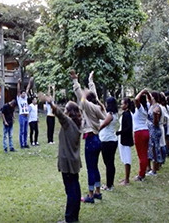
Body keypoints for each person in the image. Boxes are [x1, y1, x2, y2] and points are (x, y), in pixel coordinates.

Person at [39, 93, 82, 223]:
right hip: (74, 161)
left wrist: (50, 102)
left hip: (67, 161)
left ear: (69, 112)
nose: (64, 111)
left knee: (71, 190)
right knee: (75, 187)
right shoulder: (78, 123)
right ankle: (74, 216)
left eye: (66, 109)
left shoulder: (69, 123)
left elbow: (58, 113)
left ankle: (69, 218)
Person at [71, 70, 106, 203]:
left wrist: (75, 80)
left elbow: (79, 93)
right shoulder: (97, 107)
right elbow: (94, 96)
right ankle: (97, 192)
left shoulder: (88, 106)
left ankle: (90, 196)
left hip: (90, 140)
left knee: (90, 168)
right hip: (98, 140)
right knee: (95, 167)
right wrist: (91, 81)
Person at [98, 97, 118, 191]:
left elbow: (103, 125)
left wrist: (95, 131)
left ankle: (109, 185)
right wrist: (98, 100)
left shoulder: (110, 115)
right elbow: (102, 107)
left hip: (107, 141)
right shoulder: (114, 114)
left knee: (108, 163)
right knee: (110, 163)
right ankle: (110, 184)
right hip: (111, 140)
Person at [133, 89, 150, 182]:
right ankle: (143, 172)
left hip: (139, 132)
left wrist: (143, 91)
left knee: (141, 155)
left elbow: (136, 99)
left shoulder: (140, 108)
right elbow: (150, 100)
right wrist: (147, 93)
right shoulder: (147, 106)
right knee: (145, 154)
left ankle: (141, 175)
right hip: (146, 131)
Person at [116, 97, 134, 186]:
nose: (121, 105)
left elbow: (128, 128)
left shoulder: (128, 115)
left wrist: (119, 132)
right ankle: (125, 177)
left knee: (127, 158)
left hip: (125, 138)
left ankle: (127, 179)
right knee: (124, 156)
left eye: (122, 103)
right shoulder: (125, 114)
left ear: (126, 105)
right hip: (122, 138)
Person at [146, 91, 163, 176]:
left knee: (154, 148)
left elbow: (156, 122)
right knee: (150, 148)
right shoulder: (151, 106)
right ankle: (151, 168)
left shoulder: (156, 107)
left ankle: (154, 169)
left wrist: (155, 115)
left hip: (154, 130)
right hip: (150, 130)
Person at [17, 77, 33, 149]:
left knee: (26, 131)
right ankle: (21, 144)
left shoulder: (25, 98)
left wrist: (29, 81)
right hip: (22, 116)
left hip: (26, 116)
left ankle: (25, 143)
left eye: (24, 93)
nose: (24, 94)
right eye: (22, 93)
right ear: (20, 94)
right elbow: (18, 90)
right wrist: (18, 83)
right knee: (22, 131)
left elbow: (27, 89)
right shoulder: (19, 99)